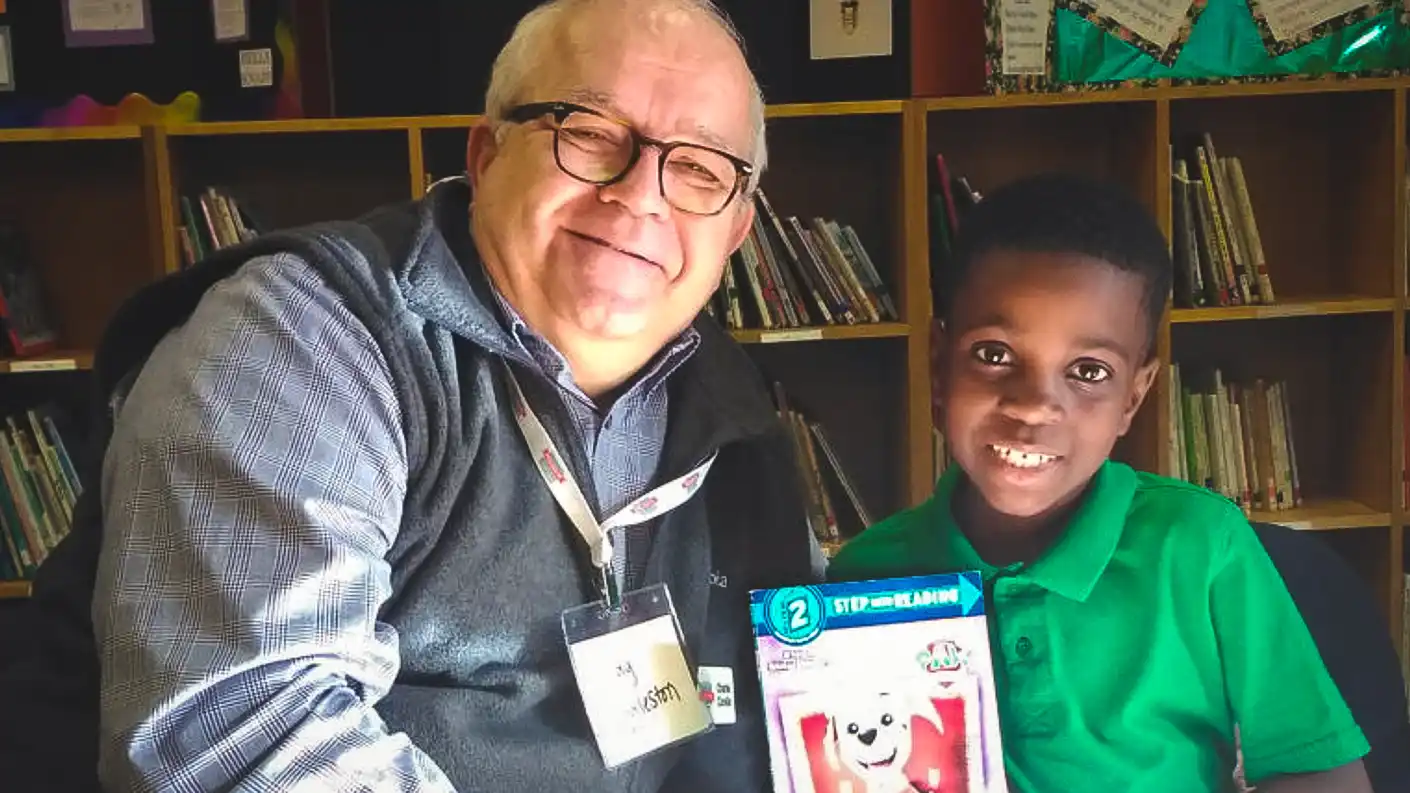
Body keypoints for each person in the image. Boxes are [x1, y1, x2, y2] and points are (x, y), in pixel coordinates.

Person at [0, 1, 821, 791]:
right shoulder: (303, 336)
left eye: (699, 168)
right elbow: (242, 732)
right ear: (487, 154)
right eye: (592, 134)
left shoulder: (733, 411)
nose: (641, 193)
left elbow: (789, 691)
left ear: (738, 228)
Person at [827, 173, 1373, 793]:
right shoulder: (863, 579)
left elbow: (1321, 772)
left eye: (1088, 371)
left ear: (1133, 398)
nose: (1035, 406)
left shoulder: (1199, 547)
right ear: (937, 366)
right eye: (994, 354)